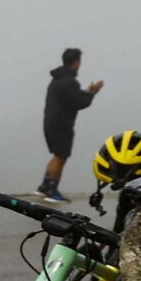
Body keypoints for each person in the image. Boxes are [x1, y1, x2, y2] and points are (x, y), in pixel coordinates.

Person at [39, 47, 104, 199]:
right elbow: (79, 103)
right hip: (62, 125)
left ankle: (44, 186)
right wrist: (92, 93)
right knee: (60, 157)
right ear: (76, 62)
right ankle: (51, 191)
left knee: (57, 155)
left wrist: (87, 92)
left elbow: (71, 98)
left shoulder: (58, 79)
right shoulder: (70, 81)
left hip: (51, 122)